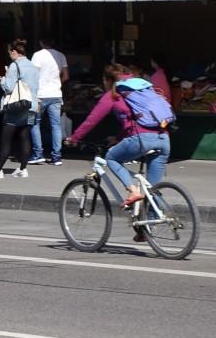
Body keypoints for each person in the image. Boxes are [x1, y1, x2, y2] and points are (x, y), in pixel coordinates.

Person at [68, 72, 173, 230]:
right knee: (153, 189)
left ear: (107, 80)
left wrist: (74, 138)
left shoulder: (113, 94)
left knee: (112, 158)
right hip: (163, 139)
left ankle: (132, 190)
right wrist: (118, 138)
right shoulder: (142, 91)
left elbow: (92, 120)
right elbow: (131, 121)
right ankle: (149, 226)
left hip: (142, 139)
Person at [0, 40, 41, 179]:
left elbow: (9, 87)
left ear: (15, 52)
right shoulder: (33, 67)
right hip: (32, 106)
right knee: (25, 136)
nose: (9, 55)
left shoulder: (15, 66)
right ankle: (22, 169)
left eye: (9, 53)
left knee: (6, 138)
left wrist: (3, 79)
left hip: (17, 107)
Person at [28, 39, 69, 166]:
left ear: (41, 42)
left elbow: (32, 75)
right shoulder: (61, 55)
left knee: (35, 123)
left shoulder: (37, 55)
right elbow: (66, 76)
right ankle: (57, 156)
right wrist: (56, 84)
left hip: (40, 94)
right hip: (56, 94)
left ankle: (38, 154)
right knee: (56, 125)